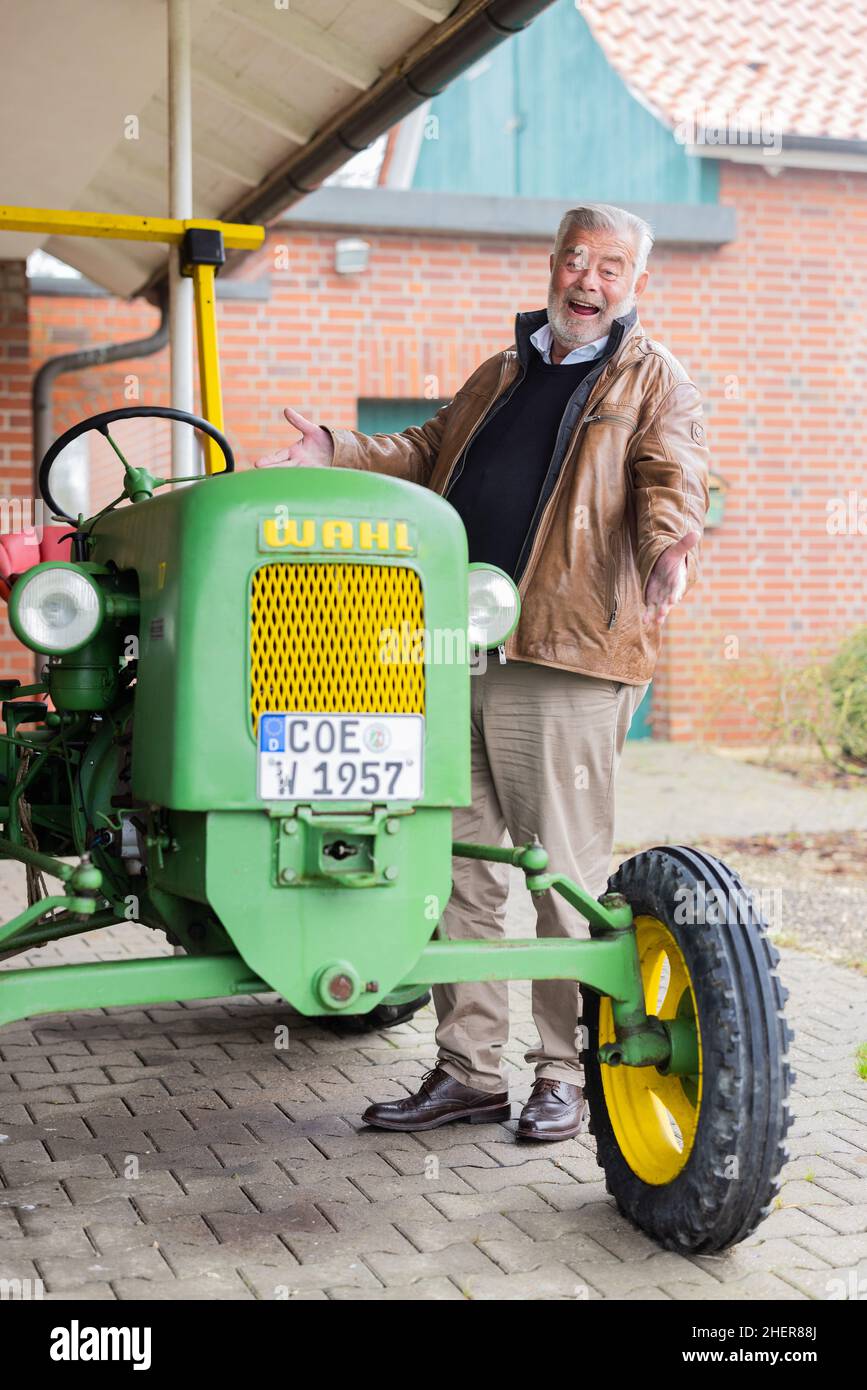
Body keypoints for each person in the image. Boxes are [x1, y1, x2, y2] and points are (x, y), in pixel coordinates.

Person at [256, 202, 709, 1141]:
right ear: (552, 265)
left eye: (609, 267)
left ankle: (561, 1076)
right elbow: (425, 452)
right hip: (455, 651)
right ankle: (467, 1069)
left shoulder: (652, 379)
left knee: (560, 879)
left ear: (635, 283)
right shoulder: (504, 369)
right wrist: (337, 450)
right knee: (454, 867)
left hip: (566, 654)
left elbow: (672, 474)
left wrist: (672, 543)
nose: (587, 281)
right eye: (574, 261)